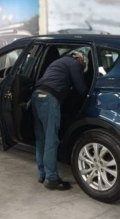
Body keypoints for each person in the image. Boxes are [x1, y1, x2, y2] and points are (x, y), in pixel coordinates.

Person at [32, 50, 89, 190]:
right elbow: (81, 89)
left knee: (42, 139)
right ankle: (51, 178)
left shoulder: (59, 62)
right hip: (49, 99)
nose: (82, 67)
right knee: (51, 139)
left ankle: (42, 174)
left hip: (36, 96)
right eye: (83, 65)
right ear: (81, 59)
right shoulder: (75, 64)